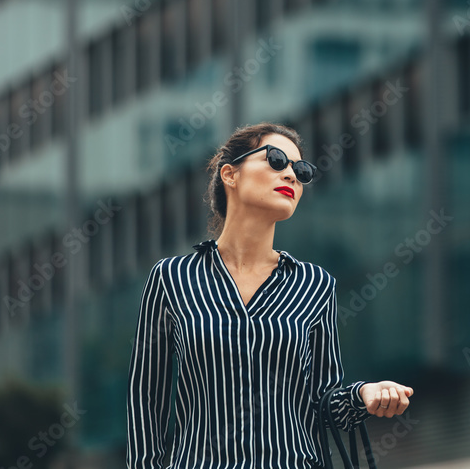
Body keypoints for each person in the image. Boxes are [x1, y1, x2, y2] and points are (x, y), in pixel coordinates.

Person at [126, 122, 414, 468]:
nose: (292, 175)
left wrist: (362, 395)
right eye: (276, 160)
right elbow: (146, 399)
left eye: (301, 170)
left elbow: (322, 405)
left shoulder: (315, 284)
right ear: (230, 174)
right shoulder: (173, 278)